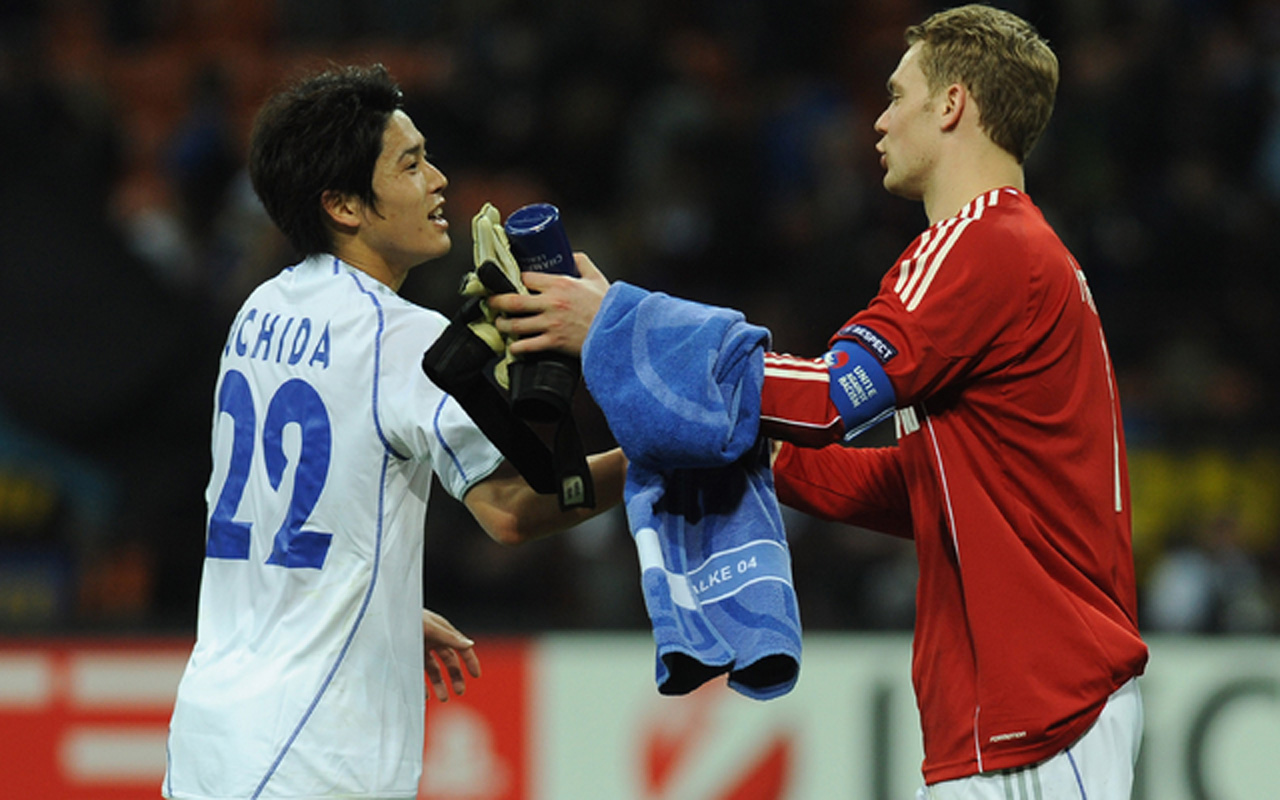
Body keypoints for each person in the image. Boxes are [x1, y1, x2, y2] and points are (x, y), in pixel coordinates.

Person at [488, 5, 1148, 798]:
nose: (878, 120)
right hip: (1024, 703)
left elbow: (836, 396)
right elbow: (915, 483)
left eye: (897, 95)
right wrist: (751, 446)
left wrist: (620, 328)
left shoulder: (982, 243)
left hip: (1041, 699)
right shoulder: (1019, 250)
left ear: (952, 105)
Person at [162, 64, 625, 800]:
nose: (439, 180)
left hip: (212, 737)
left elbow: (281, 511)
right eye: (410, 165)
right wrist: (657, 456)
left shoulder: (258, 309)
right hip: (314, 755)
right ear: (344, 205)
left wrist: (376, 601)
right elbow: (513, 511)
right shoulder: (402, 337)